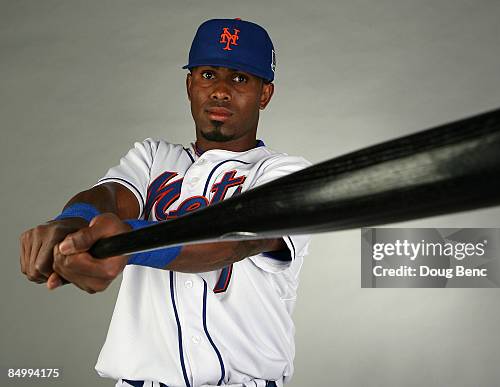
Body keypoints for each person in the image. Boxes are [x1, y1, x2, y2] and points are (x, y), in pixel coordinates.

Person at [19, 18, 310, 387]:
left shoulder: (286, 174)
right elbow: (108, 196)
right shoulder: (152, 157)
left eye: (239, 78)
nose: (220, 90)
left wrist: (127, 244)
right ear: (190, 84)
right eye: (208, 74)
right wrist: (71, 223)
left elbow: (236, 238)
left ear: (264, 93)